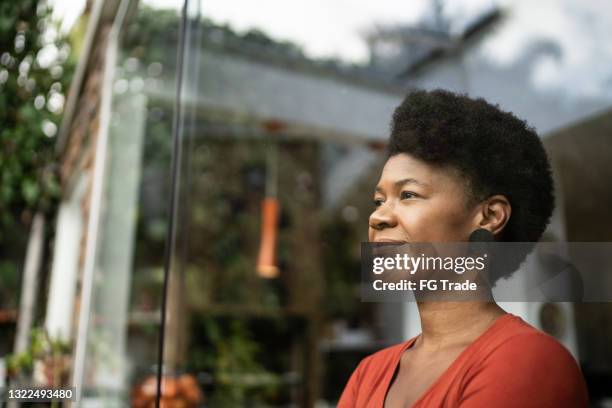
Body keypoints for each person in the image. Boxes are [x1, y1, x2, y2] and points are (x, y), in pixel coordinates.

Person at [338, 90, 588, 407]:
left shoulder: (528, 361)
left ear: (489, 217)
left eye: (409, 195)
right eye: (378, 201)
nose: (378, 217)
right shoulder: (368, 374)